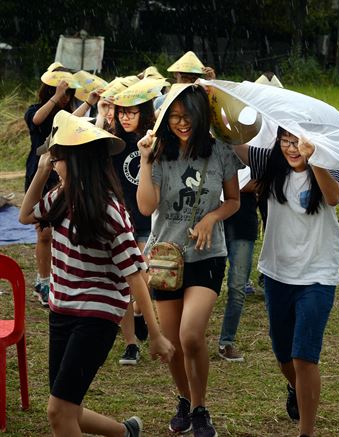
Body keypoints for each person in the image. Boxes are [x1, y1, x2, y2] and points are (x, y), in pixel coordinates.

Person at [19, 111, 174, 437]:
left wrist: (156, 334)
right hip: (61, 311)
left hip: (97, 316)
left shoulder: (108, 210)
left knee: (58, 412)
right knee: (66, 407)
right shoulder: (60, 196)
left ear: (76, 161)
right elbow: (25, 214)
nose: (53, 161)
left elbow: (135, 274)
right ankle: (123, 433)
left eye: (57, 156)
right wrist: (42, 169)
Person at [137, 83, 242, 437]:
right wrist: (146, 160)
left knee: (191, 335)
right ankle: (184, 399)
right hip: (166, 256)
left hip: (207, 256)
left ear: (202, 118)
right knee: (173, 344)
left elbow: (234, 201)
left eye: (188, 117)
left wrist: (212, 218)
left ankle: (200, 406)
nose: (182, 124)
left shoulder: (220, 152)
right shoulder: (159, 153)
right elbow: (146, 207)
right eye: (175, 117)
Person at [234, 128, 339, 437]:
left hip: (318, 274)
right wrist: (213, 102)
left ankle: (306, 431)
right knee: (283, 352)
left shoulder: (329, 162)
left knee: (303, 355)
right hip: (277, 273)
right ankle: (296, 387)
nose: (292, 148)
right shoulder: (271, 162)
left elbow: (333, 197)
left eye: (298, 141)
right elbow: (235, 145)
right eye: (285, 141)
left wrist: (316, 159)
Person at [100, 80, 159, 365]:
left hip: (148, 219)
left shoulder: (153, 140)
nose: (124, 116)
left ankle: (139, 313)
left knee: (146, 278)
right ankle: (131, 343)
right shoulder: (112, 142)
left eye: (131, 112)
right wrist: (101, 113)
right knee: (125, 282)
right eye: (121, 111)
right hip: (120, 221)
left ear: (143, 113)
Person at [24, 66, 78, 306]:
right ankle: (43, 281)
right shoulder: (36, 110)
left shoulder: (67, 113)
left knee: (61, 229)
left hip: (62, 173)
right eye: (63, 91)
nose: (66, 97)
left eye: (69, 93)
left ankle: (57, 280)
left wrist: (90, 101)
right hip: (40, 173)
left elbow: (78, 122)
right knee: (43, 232)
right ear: (50, 88)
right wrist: (57, 95)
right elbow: (38, 120)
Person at [217, 180, 258, 362]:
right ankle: (193, 338)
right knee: (206, 286)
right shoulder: (211, 151)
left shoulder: (252, 153)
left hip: (243, 225)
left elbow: (262, 181)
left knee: (237, 287)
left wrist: (232, 184)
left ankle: (226, 341)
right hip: (213, 224)